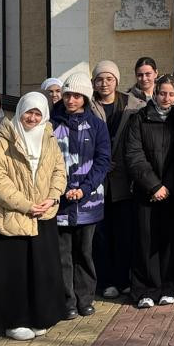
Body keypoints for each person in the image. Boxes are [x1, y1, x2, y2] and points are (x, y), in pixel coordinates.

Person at [0, 92, 67, 340]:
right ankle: (14, 320)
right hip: (12, 215)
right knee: (14, 272)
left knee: (42, 270)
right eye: (28, 112)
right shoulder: (3, 139)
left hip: (44, 214)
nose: (32, 117)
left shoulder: (49, 138)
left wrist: (52, 197)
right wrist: (26, 205)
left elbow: (59, 171)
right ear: (20, 112)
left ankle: (42, 316)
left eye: (37, 113)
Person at [124, 75, 174, 308]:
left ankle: (169, 286)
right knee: (146, 241)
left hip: (173, 192)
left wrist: (170, 187)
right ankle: (145, 289)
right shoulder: (139, 119)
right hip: (147, 191)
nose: (166, 98)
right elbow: (134, 155)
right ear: (155, 93)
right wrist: (154, 185)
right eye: (162, 93)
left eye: (171, 94)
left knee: (169, 242)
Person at [51, 74, 112, 318]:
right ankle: (67, 300)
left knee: (85, 252)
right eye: (67, 95)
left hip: (89, 200)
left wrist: (84, 189)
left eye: (76, 96)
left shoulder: (97, 126)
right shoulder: (52, 124)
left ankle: (85, 298)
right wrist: (62, 189)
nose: (71, 100)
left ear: (85, 98)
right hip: (60, 201)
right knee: (63, 254)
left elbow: (102, 160)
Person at [89, 60, 145, 300]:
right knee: (101, 234)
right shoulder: (88, 106)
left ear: (117, 81)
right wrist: (100, 162)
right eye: (100, 79)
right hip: (97, 181)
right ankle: (106, 281)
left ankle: (123, 279)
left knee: (124, 232)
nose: (104, 83)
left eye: (109, 79)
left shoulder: (132, 106)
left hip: (124, 180)